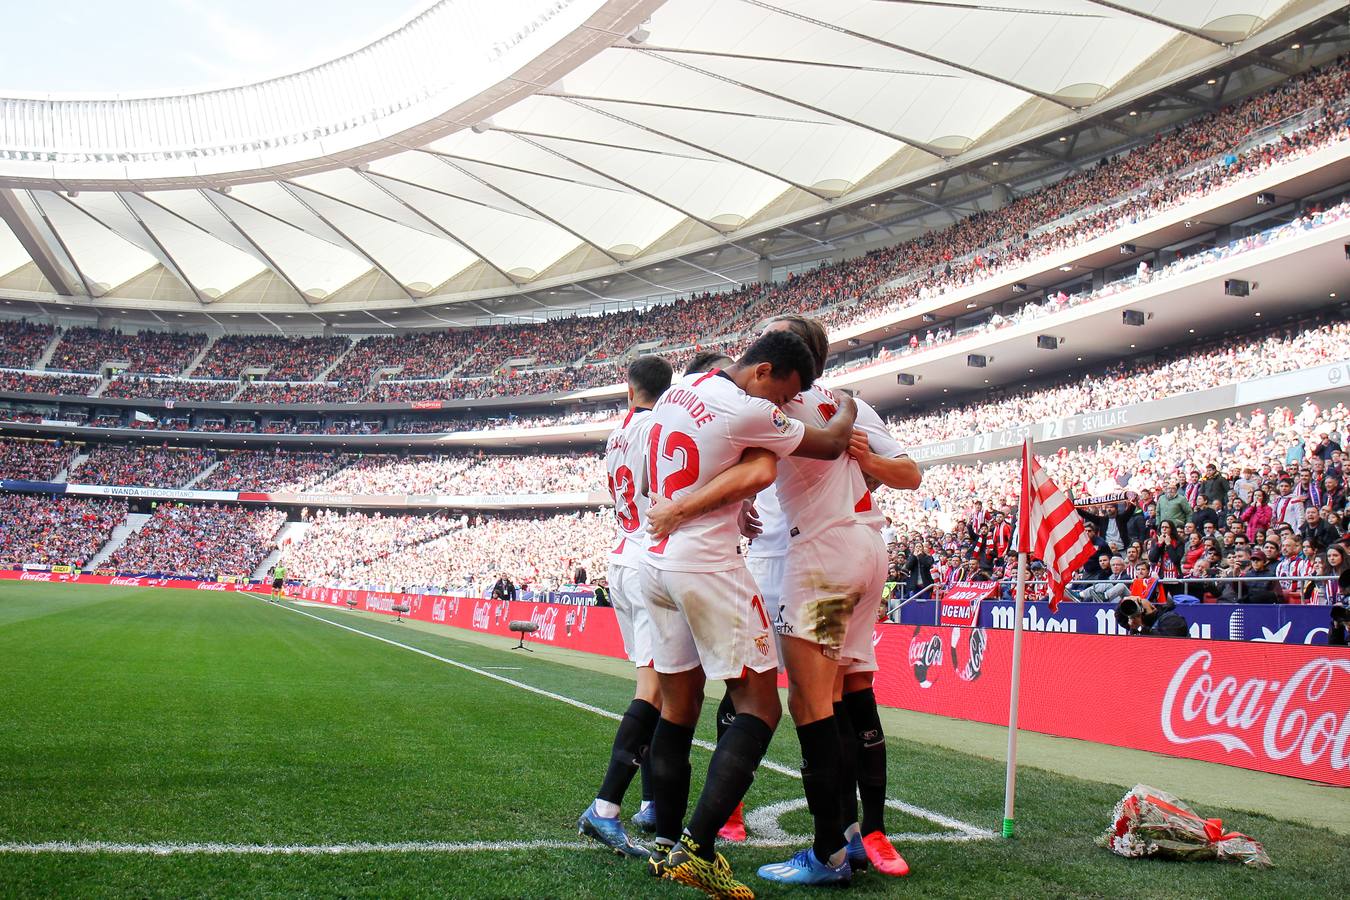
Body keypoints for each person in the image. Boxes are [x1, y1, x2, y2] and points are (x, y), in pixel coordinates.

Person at [638, 330, 858, 896]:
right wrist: (852, 406)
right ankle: (715, 845)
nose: (783, 406)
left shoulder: (684, 387)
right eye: (782, 395)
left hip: (674, 559)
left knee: (691, 704)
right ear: (764, 371)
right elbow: (843, 451)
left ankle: (675, 841)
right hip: (798, 567)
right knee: (795, 703)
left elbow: (761, 468)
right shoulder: (761, 410)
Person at [578, 355, 673, 857]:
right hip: (647, 559)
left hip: (621, 556)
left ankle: (652, 801)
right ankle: (607, 806)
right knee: (655, 691)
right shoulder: (660, 426)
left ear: (628, 388)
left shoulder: (619, 432)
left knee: (656, 685)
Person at [1115, 594, 1188, 637]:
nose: (1145, 599)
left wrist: (1140, 628)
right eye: (1140, 600)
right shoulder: (1139, 632)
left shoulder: (1171, 619)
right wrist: (1137, 628)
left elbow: (1171, 645)